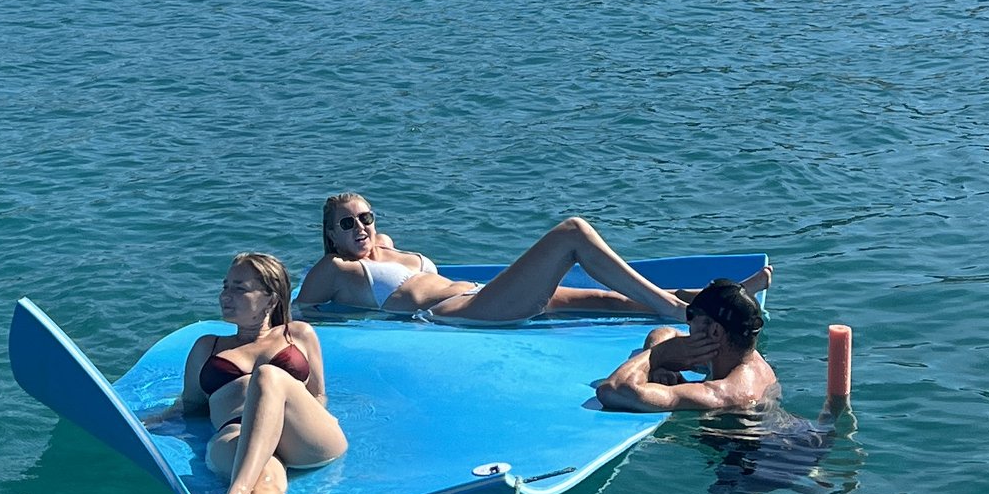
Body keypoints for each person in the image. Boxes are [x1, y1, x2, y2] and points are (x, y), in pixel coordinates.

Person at [298, 193, 719, 327]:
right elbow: (303, 308)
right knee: (572, 232)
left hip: (481, 294)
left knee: (604, 298)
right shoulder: (337, 269)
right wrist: (364, 322)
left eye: (365, 217)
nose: (360, 227)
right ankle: (675, 309)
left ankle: (707, 301)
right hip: (461, 311)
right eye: (347, 223)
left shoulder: (386, 245)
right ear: (332, 234)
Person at [159, 250, 345, 494]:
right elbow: (191, 405)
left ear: (271, 299)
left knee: (268, 375)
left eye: (239, 288)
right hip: (238, 436)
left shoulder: (298, 334)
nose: (225, 295)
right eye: (225, 286)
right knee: (266, 479)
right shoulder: (207, 347)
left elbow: (318, 396)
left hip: (304, 437)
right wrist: (148, 422)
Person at [593, 279, 779, 415]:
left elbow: (614, 390)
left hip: (764, 462)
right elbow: (665, 332)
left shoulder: (723, 393)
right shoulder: (739, 355)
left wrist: (658, 355)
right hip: (793, 441)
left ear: (715, 331)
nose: (687, 323)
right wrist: (662, 366)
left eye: (691, 315)